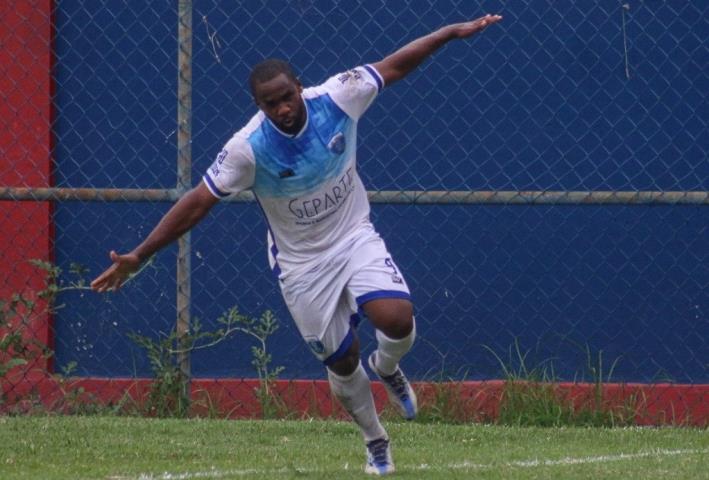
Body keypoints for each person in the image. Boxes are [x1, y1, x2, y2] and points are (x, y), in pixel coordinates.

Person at [91, 13, 502, 475]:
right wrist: (139, 255)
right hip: (302, 265)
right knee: (343, 361)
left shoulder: (338, 97)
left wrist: (447, 32)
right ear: (259, 106)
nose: (283, 108)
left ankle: (387, 366)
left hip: (353, 236)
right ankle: (375, 440)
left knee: (397, 318)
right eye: (271, 104)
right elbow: (197, 202)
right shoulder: (248, 148)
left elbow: (395, 66)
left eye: (287, 96)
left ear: (299, 87)